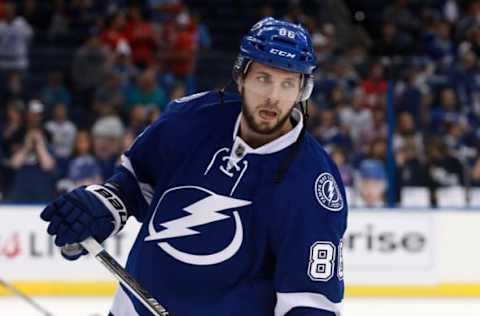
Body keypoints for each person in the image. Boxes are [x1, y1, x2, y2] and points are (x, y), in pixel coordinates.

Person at [40, 17, 347, 316]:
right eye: (263, 78)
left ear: (302, 91)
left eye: (287, 84)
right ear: (241, 76)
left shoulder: (313, 183)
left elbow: (312, 302)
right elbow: (135, 181)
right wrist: (105, 205)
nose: (273, 97)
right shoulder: (192, 118)